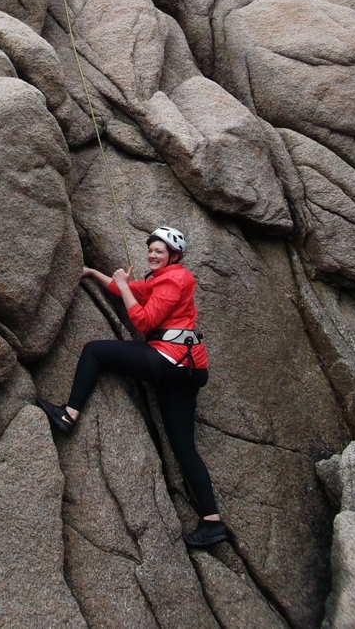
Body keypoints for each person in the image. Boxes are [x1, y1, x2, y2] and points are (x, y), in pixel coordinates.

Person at [36, 226, 228, 549]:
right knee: (184, 449)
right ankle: (213, 522)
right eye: (150, 250)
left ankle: (69, 415)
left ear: (174, 256)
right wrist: (92, 273)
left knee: (94, 351)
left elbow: (142, 320)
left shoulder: (175, 279)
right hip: (186, 370)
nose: (153, 254)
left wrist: (125, 286)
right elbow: (125, 289)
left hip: (170, 361)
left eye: (160, 251)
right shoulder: (165, 280)